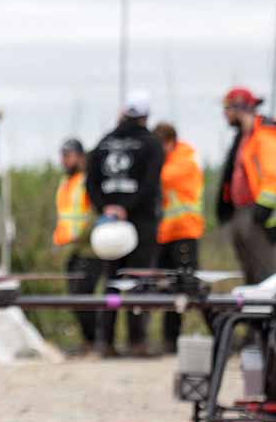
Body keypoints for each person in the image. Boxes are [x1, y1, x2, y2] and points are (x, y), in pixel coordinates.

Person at [85, 90, 165, 356]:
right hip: (139, 221)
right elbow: (151, 184)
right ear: (145, 116)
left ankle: (105, 342)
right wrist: (127, 208)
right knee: (139, 281)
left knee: (111, 280)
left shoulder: (104, 142)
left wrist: (106, 207)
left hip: (108, 224)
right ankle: (137, 342)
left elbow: (90, 182)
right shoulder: (151, 144)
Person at [216, 86, 276, 284]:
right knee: (251, 274)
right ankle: (255, 314)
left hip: (260, 212)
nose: (224, 114)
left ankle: (271, 314)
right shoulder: (246, 138)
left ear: (239, 108)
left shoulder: (265, 136)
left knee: (264, 276)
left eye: (227, 108)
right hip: (244, 211)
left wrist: (262, 210)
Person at [152, 123, 204, 354]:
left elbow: (163, 179)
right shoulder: (166, 160)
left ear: (170, 142)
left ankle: (218, 328)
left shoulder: (185, 159)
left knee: (190, 288)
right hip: (166, 234)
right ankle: (168, 341)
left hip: (184, 232)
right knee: (167, 288)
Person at [52, 138, 101, 355]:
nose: (64, 160)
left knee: (84, 295)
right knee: (75, 298)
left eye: (68, 155)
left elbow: (92, 213)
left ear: (80, 157)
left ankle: (95, 341)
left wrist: (80, 237)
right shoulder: (65, 183)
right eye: (63, 155)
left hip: (89, 248)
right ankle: (88, 341)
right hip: (70, 249)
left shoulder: (87, 181)